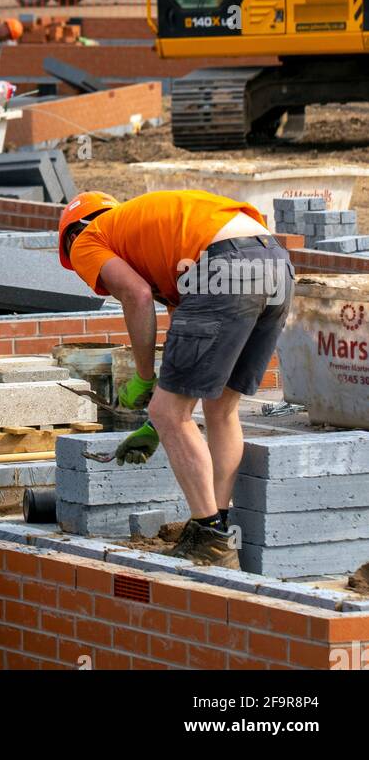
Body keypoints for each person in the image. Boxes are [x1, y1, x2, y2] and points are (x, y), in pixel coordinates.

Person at [59, 188, 294, 567]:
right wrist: (156, 423)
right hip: (274, 264)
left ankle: (209, 538)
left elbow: (134, 295)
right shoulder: (156, 232)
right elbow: (184, 337)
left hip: (223, 267)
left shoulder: (88, 238)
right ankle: (220, 523)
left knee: (173, 413)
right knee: (220, 409)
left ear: (72, 234)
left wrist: (144, 380)